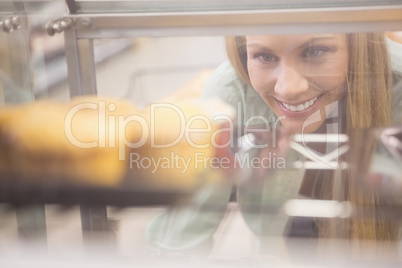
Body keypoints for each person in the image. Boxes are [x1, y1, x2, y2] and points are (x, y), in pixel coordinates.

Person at [201, 33, 402, 257]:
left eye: (314, 52)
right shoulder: (231, 91)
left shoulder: (398, 85)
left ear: (356, 45)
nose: (288, 88)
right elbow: (182, 235)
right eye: (265, 56)